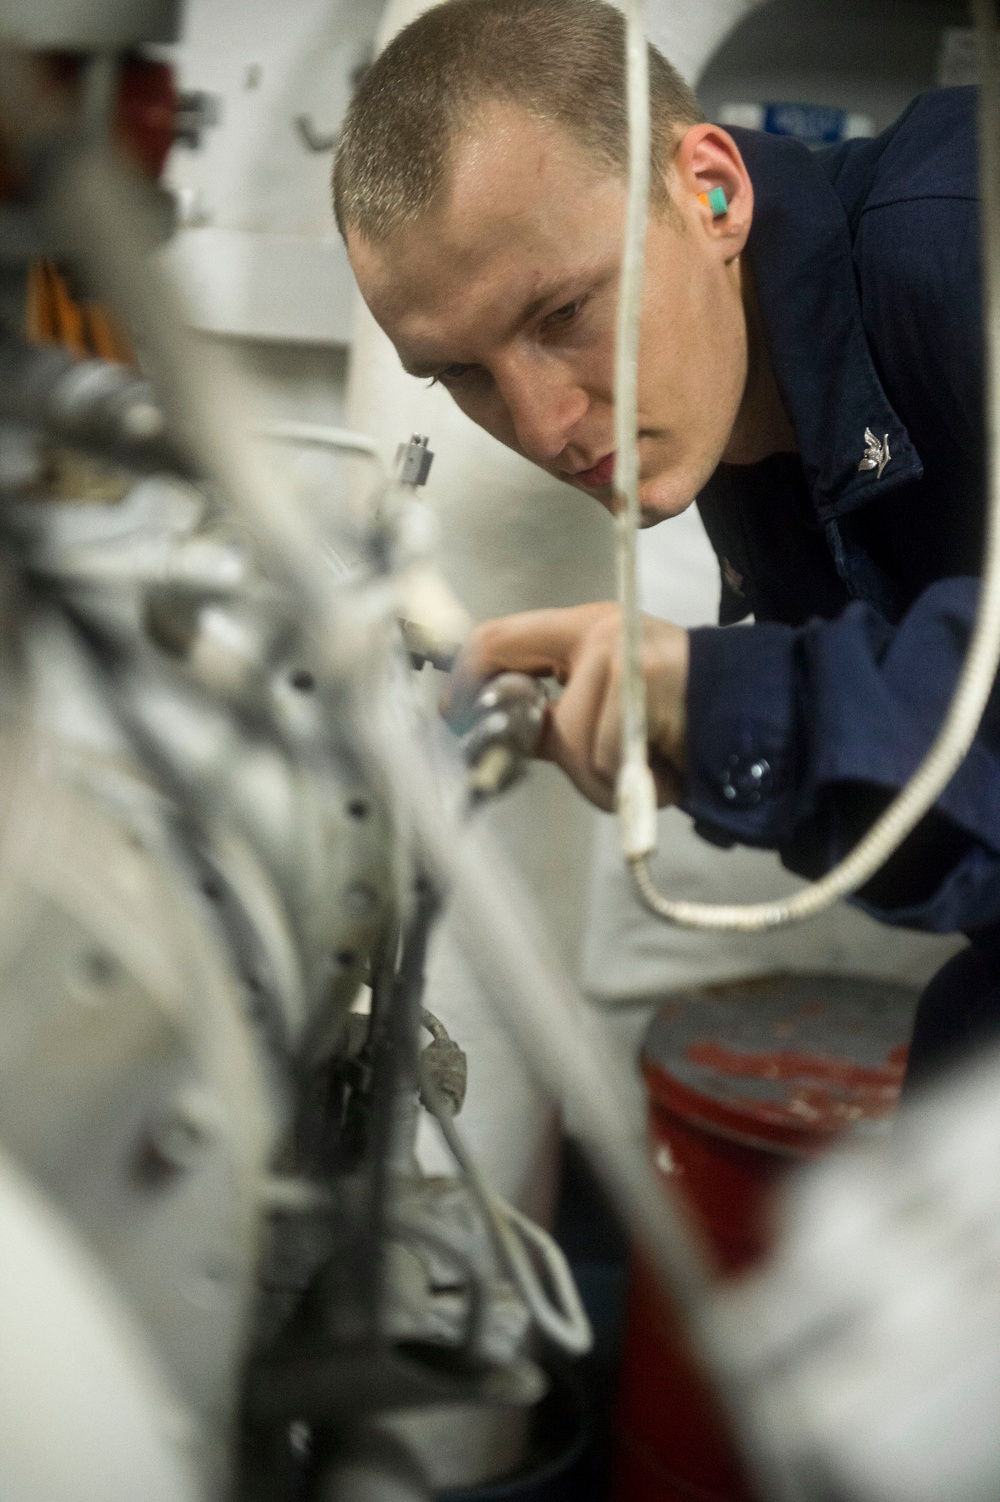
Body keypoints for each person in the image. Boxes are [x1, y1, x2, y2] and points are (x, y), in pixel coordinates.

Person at [334, 0, 997, 1089]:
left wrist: (739, 699)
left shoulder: (966, 237)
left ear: (712, 192)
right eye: (459, 372)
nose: (543, 424)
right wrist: (718, 750)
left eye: (561, 314)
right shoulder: (751, 430)